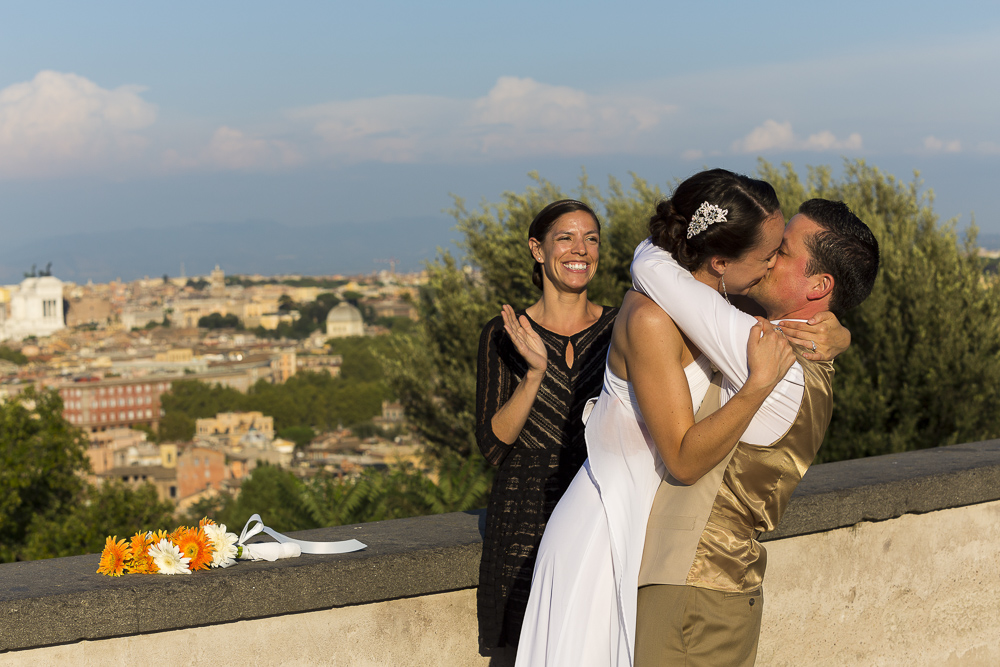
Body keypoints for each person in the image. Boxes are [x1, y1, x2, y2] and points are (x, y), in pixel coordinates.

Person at [516, 169, 849, 666]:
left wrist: (838, 333)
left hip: (648, 534)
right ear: (720, 261)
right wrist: (758, 386)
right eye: (766, 255)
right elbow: (682, 459)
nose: (769, 267)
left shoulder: (716, 305)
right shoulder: (651, 318)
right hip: (606, 530)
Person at [629, 197, 879, 666]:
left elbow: (652, 265)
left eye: (780, 251)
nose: (763, 254)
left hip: (693, 591)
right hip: (710, 593)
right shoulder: (797, 357)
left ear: (819, 285)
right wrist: (844, 333)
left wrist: (697, 226)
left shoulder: (764, 354)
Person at [476, 199, 619, 659]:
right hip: (523, 524)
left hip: (601, 509)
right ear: (538, 250)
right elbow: (494, 447)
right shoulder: (504, 333)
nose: (581, 249)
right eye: (566, 238)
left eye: (591, 238)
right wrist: (535, 373)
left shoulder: (624, 328)